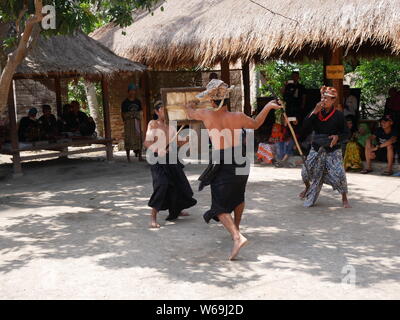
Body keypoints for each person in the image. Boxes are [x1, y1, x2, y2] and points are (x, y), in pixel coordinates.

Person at [184, 79, 281, 260]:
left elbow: (188, 112)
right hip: (242, 158)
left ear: (213, 101)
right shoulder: (238, 116)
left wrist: (191, 103)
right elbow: (256, 123)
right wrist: (267, 106)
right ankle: (235, 227)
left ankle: (237, 236)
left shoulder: (206, 114)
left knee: (218, 205)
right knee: (238, 195)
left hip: (224, 159)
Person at [144, 101, 197, 228]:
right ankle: (153, 217)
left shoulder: (172, 125)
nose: (165, 112)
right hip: (157, 159)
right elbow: (147, 142)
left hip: (171, 158)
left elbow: (177, 142)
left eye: (167, 109)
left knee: (179, 184)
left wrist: (186, 141)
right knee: (162, 184)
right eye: (162, 109)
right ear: (157, 111)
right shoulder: (153, 124)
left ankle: (176, 210)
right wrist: (158, 149)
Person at [299, 86, 351, 208]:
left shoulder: (338, 115)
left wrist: (337, 137)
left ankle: (344, 197)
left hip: (333, 149)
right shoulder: (316, 112)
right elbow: (304, 127)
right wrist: (314, 112)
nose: (324, 100)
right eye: (322, 97)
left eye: (327, 98)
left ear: (333, 100)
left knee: (339, 174)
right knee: (305, 172)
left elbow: (347, 133)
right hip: (317, 147)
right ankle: (307, 188)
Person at [121, 83, 143, 162]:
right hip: (129, 124)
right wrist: (131, 115)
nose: (132, 92)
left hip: (137, 123)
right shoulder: (125, 103)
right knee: (128, 138)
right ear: (128, 92)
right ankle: (128, 158)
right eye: (131, 91)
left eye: (134, 91)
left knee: (139, 137)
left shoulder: (138, 102)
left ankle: (140, 157)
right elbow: (123, 114)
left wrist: (135, 116)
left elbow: (140, 112)